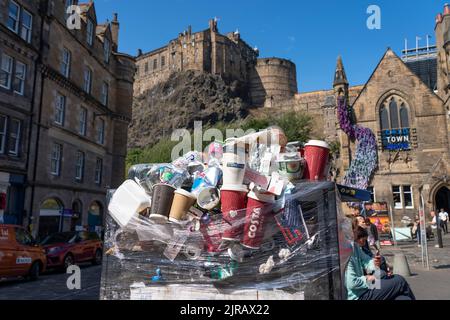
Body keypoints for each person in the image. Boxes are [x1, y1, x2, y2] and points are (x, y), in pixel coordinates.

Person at [345, 227, 416, 300]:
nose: (364, 243)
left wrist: (374, 263)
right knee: (400, 281)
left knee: (403, 298)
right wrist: (368, 278)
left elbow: (367, 260)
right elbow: (352, 283)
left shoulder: (355, 247)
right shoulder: (346, 254)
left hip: (365, 287)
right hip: (359, 295)